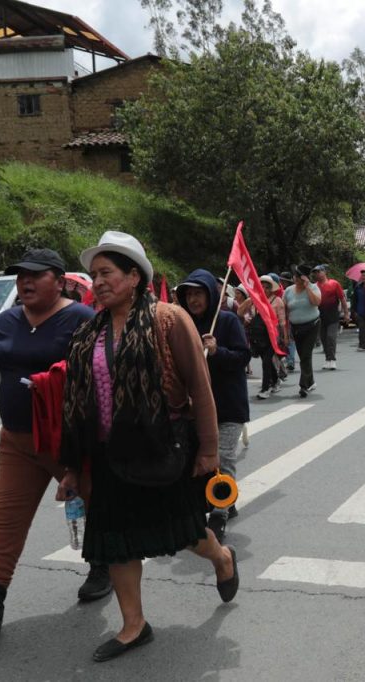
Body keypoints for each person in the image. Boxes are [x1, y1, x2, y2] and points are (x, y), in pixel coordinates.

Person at [57, 231, 236, 662]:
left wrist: (209, 451)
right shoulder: (89, 331)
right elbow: (76, 402)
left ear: (134, 276)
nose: (98, 282)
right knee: (115, 541)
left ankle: (222, 557)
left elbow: (200, 384)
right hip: (106, 455)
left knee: (186, 532)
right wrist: (71, 467)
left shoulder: (168, 319)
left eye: (107, 273)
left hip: (160, 447)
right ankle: (133, 625)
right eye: (93, 274)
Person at [0, 249, 109, 634]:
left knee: (101, 506)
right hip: (16, 441)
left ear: (59, 281)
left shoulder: (81, 318)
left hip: (67, 441)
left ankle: (104, 565)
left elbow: (100, 377)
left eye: (34, 275)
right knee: (6, 520)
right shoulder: (8, 319)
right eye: (19, 275)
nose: (23, 281)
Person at [176, 269, 251, 542]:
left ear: (210, 294)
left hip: (228, 404)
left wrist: (219, 351)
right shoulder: (182, 324)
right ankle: (215, 501)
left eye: (198, 293)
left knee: (223, 457)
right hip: (194, 407)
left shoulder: (228, 321)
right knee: (198, 459)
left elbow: (243, 357)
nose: (194, 299)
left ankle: (219, 512)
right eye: (189, 294)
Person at [283, 264, 321, 397]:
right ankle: (310, 382)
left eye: (298, 276)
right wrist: (286, 331)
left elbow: (316, 302)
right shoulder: (288, 291)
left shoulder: (313, 287)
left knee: (305, 355)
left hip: (312, 325)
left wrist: (307, 287)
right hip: (296, 327)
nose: (295, 278)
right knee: (303, 355)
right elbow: (285, 311)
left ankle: (303, 385)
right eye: (295, 276)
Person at [312, 264, 348, 370]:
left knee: (331, 337)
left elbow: (342, 299)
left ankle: (332, 360)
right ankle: (327, 359)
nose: (317, 274)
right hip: (320, 316)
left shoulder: (334, 284)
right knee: (323, 339)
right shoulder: (314, 286)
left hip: (333, 316)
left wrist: (346, 313)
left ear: (324, 272)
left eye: (319, 271)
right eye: (315, 272)